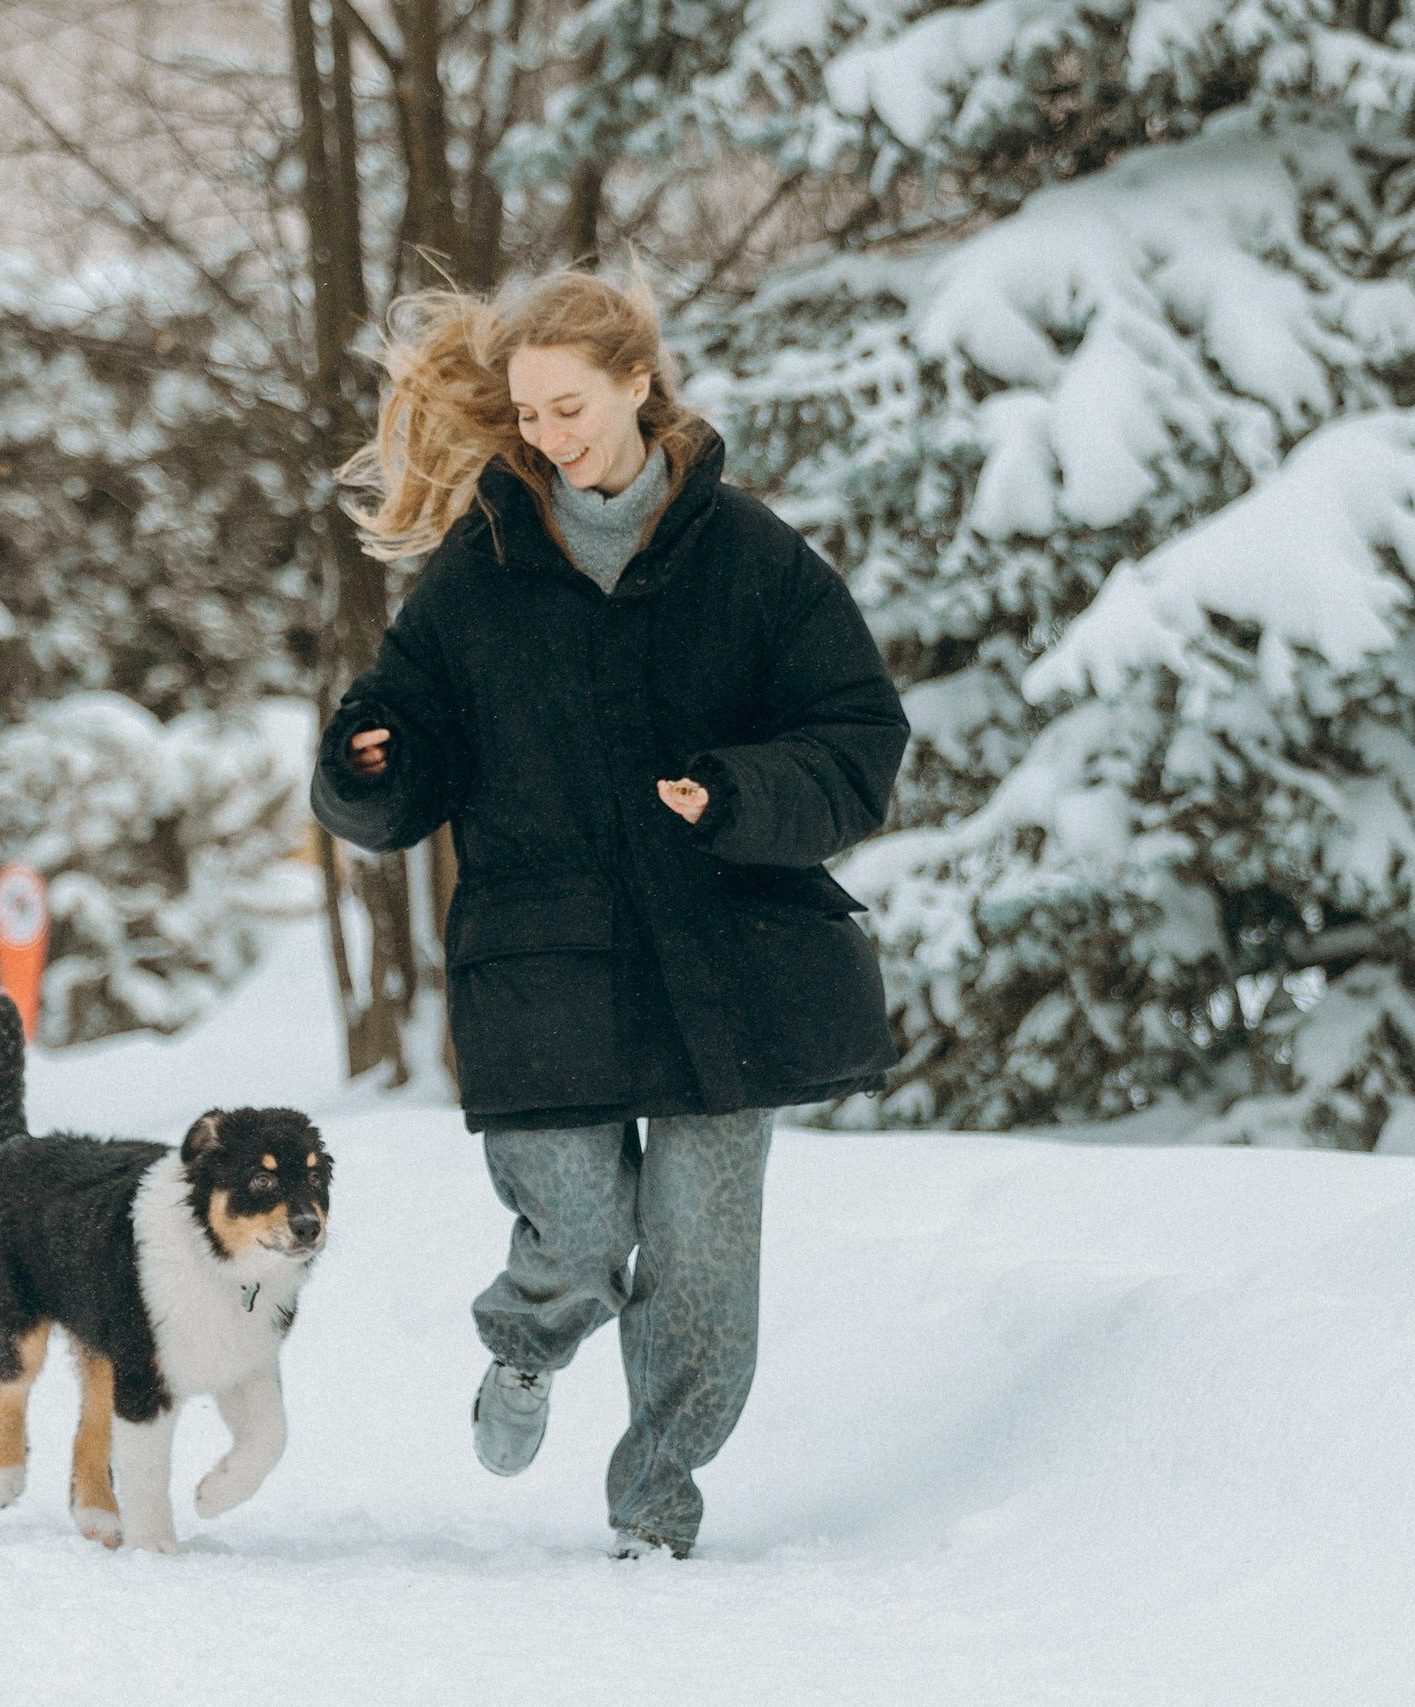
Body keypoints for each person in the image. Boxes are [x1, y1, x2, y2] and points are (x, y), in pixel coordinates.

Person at [308, 269, 908, 1560]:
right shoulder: (481, 572)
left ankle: (655, 1500)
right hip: (546, 967)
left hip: (722, 965)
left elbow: (859, 737)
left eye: (569, 406)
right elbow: (404, 735)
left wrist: (740, 791)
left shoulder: (751, 556)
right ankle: (527, 1349)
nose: (547, 437)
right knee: (578, 1235)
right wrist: (370, 760)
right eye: (526, 414)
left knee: (701, 1274)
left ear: (640, 383)